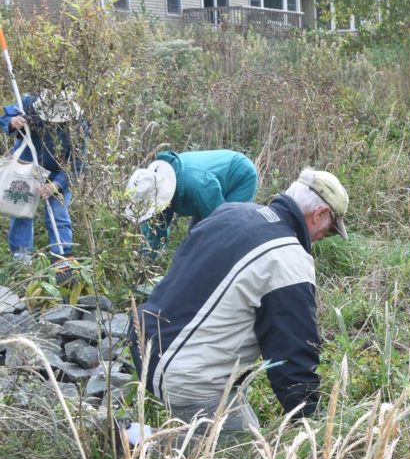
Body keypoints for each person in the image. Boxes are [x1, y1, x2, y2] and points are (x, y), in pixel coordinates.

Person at [130, 168, 349, 434]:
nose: (325, 236)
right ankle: (131, 439)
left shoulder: (232, 212)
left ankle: (163, 432)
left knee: (246, 424)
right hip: (184, 374)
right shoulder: (287, 258)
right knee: (242, 455)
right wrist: (313, 428)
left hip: (147, 343)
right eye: (330, 229)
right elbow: (292, 354)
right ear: (320, 215)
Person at [1, 89, 87, 278]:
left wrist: (56, 185)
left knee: (58, 214)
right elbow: (4, 119)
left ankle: (62, 261)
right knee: (21, 212)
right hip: (27, 165)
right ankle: (21, 261)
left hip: (59, 172)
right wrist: (12, 123)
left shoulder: (78, 124)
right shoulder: (29, 104)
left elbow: (77, 165)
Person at [125, 149, 258, 252]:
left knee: (222, 234)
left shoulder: (197, 185)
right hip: (209, 185)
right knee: (195, 241)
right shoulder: (160, 185)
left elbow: (219, 221)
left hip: (239, 176)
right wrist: (143, 266)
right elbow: (157, 232)